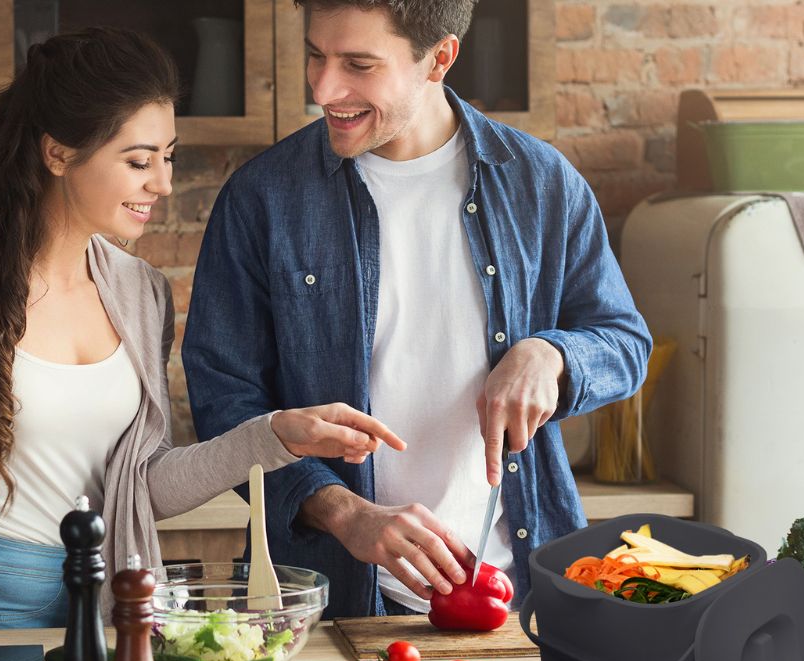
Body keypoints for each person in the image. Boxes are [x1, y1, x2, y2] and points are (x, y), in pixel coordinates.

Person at [0, 27, 404, 640]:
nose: (163, 184)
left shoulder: (141, 293)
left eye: (167, 157)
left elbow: (141, 486)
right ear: (59, 154)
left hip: (114, 604)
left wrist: (275, 435)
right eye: (138, 161)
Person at [182, 0, 652, 618]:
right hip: (334, 601)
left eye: (359, 64)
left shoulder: (542, 183)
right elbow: (224, 402)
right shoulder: (262, 199)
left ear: (440, 59)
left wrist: (552, 355)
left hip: (520, 597)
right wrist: (345, 512)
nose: (324, 88)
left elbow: (624, 341)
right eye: (315, 56)